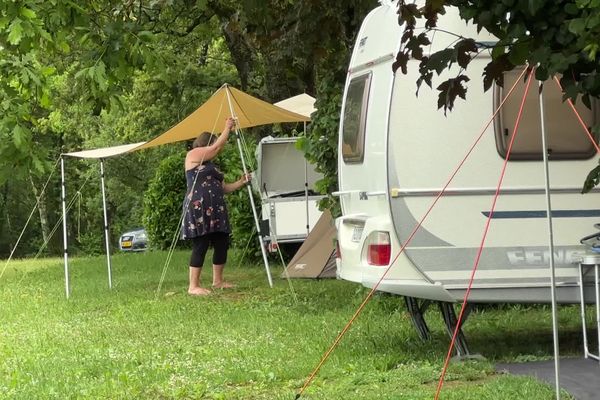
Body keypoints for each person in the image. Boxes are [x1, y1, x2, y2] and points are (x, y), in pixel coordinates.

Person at [181, 117, 250, 296]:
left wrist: (241, 182)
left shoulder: (212, 166)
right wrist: (227, 128)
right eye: (214, 141)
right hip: (199, 208)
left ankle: (217, 281)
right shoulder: (193, 155)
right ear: (207, 143)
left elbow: (223, 188)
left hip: (216, 210)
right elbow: (216, 148)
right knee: (201, 243)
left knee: (221, 242)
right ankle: (193, 286)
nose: (218, 147)